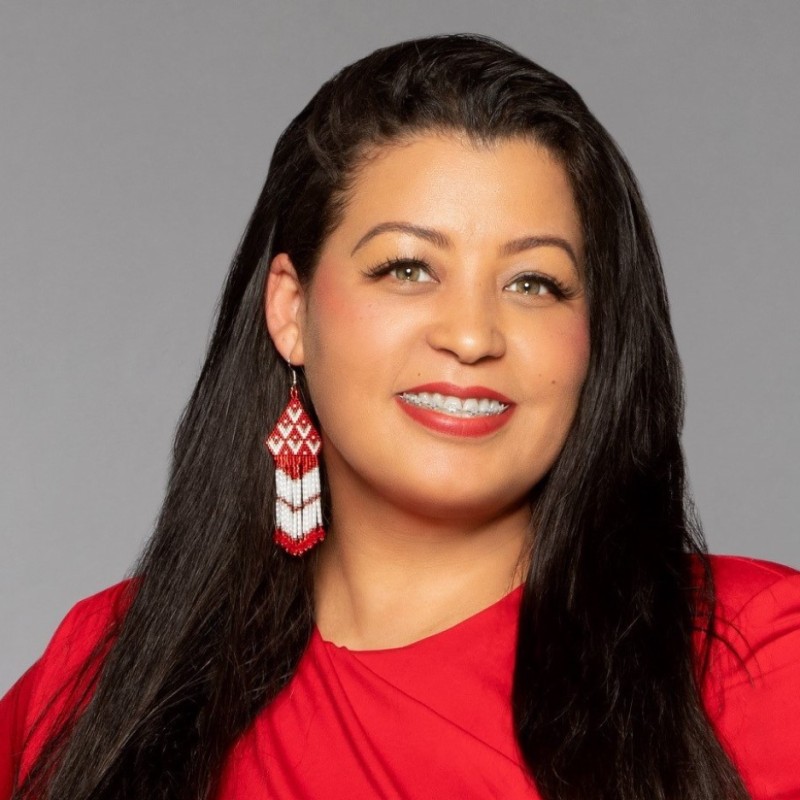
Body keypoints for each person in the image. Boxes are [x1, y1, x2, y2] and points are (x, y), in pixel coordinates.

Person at [1, 32, 798, 800]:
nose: (472, 336)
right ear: (291, 310)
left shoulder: (751, 655)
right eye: (408, 269)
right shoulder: (112, 671)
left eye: (533, 284)